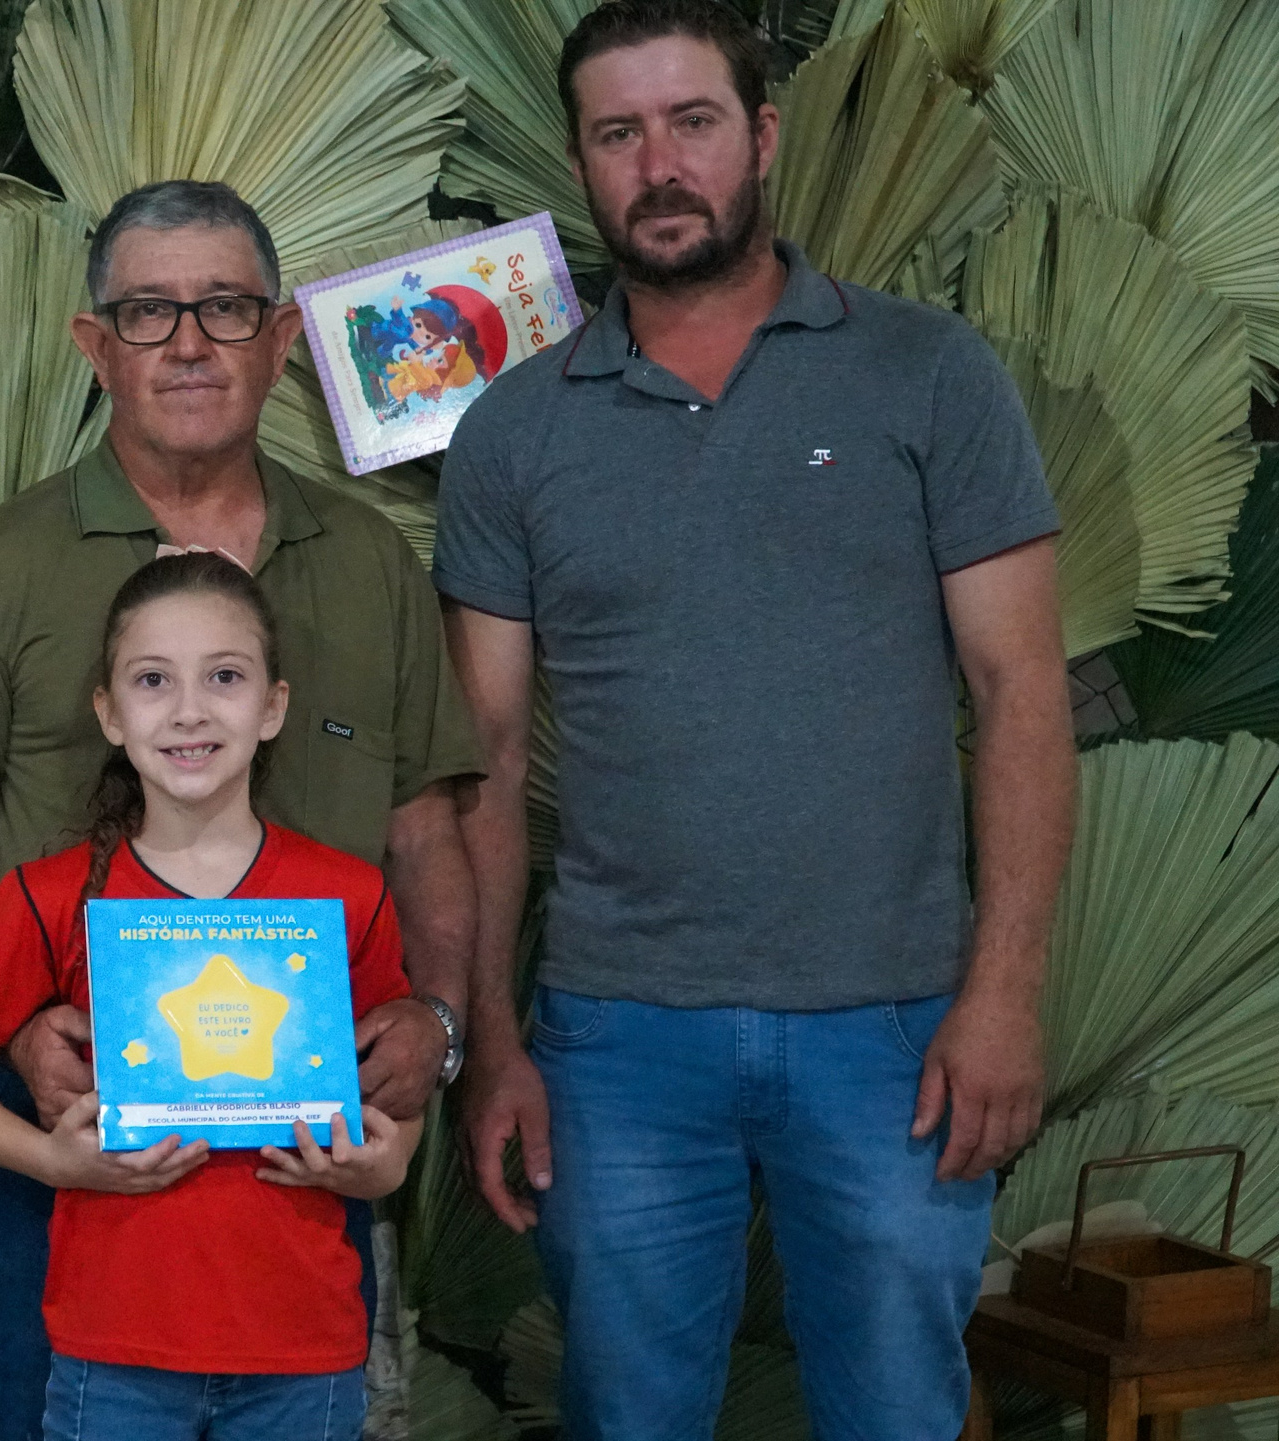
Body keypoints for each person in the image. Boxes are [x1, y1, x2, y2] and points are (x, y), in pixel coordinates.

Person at [432, 3, 1075, 1436]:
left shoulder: (927, 374)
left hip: (899, 1030)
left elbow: (1021, 692)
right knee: (630, 1410)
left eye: (693, 121)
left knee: (900, 1406)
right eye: (619, 133)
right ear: (584, 163)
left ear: (762, 137)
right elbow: (479, 764)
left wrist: (1007, 992)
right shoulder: (514, 434)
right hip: (616, 1039)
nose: (659, 164)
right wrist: (494, 1040)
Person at [0, 178, 482, 1441]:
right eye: (148, 311)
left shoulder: (369, 559)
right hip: (78, 1141)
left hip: (300, 1173)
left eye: (223, 308)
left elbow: (428, 832)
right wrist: (21, 1033)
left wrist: (436, 1027)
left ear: (280, 341)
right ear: (92, 345)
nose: (186, 343)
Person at [0, 552, 420, 1441]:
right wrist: (52, 1160)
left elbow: (391, 1094)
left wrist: (386, 1162)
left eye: (224, 676)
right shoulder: (50, 896)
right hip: (115, 1353)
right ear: (109, 713)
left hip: (303, 1349)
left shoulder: (347, 896)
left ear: (273, 707)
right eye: (153, 680)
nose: (189, 709)